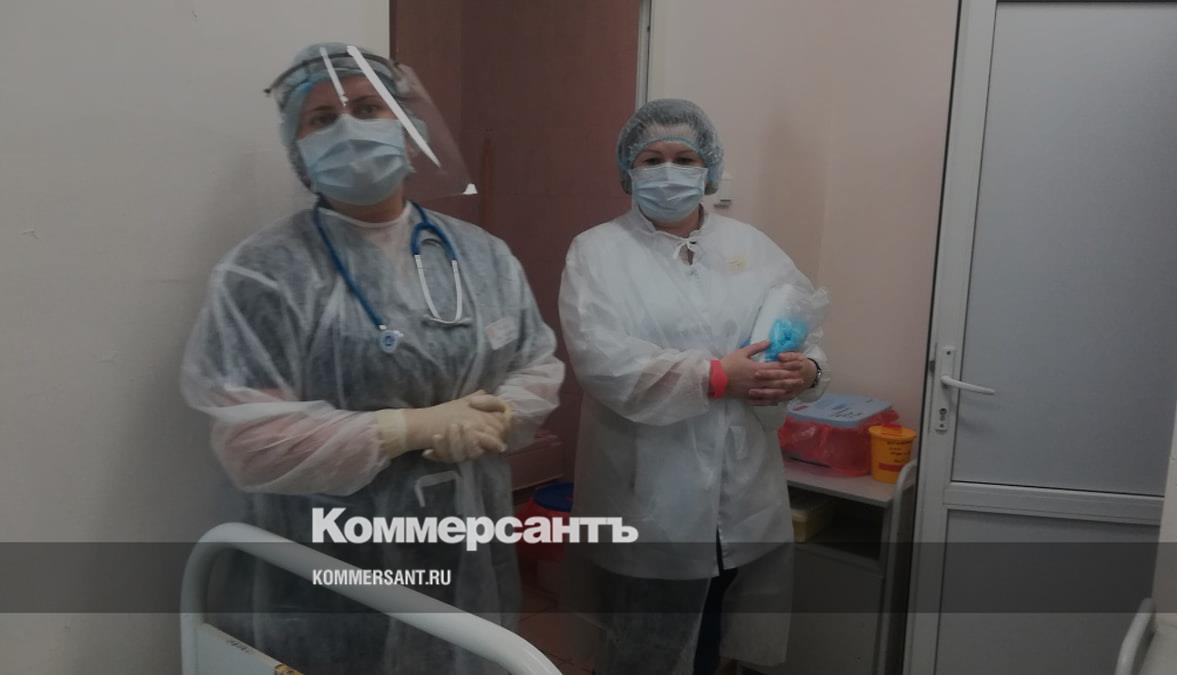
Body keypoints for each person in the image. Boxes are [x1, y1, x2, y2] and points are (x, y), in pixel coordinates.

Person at [180, 43, 563, 674]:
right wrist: (406, 429)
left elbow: (537, 366)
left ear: (406, 127)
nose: (349, 128)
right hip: (329, 569)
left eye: (366, 108)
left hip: (466, 548)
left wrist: (499, 416)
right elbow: (251, 443)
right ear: (298, 147)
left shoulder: (483, 256)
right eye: (322, 118)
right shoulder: (263, 274)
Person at [559, 98, 829, 675]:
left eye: (684, 158)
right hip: (648, 494)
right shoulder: (597, 252)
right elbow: (602, 361)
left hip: (742, 493)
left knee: (714, 641)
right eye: (651, 159)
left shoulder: (752, 247)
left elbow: (801, 326)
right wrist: (715, 376)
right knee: (641, 648)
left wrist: (806, 372)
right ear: (627, 170)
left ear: (708, 168)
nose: (668, 171)